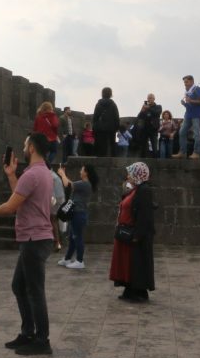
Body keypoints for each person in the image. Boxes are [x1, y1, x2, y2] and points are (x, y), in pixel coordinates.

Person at [0, 133, 55, 356]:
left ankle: (42, 339)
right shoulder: (43, 173)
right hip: (37, 238)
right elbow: (21, 196)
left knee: (34, 291)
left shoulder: (32, 174)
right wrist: (12, 175)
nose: (23, 148)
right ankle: (28, 332)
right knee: (19, 286)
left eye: (25, 145)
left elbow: (12, 205)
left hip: (34, 239)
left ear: (31, 148)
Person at [108, 162, 156, 302]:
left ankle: (138, 291)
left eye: (130, 173)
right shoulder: (135, 189)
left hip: (135, 235)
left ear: (137, 174)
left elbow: (145, 216)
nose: (128, 176)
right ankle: (129, 289)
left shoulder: (144, 190)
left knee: (136, 264)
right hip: (128, 233)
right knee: (129, 264)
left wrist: (137, 235)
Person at [57, 164, 98, 270]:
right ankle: (67, 259)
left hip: (79, 214)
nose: (80, 171)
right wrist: (64, 175)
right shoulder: (84, 184)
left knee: (77, 237)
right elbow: (70, 183)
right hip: (76, 213)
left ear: (86, 172)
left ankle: (80, 261)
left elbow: (67, 184)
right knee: (72, 238)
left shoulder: (85, 184)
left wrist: (62, 174)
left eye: (82, 169)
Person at [172, 75, 200, 159]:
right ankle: (182, 152)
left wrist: (191, 100)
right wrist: (185, 104)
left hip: (196, 115)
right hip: (188, 114)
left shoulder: (197, 89)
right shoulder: (187, 91)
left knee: (196, 134)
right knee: (182, 132)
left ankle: (196, 153)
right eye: (184, 82)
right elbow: (190, 105)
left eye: (186, 82)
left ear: (191, 81)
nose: (185, 84)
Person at [91, 87, 120, 157]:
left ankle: (100, 162)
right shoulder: (113, 105)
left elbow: (95, 117)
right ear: (110, 94)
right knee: (112, 145)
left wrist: (95, 127)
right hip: (111, 128)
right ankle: (113, 162)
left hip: (100, 129)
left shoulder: (98, 104)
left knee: (101, 146)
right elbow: (116, 117)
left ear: (102, 94)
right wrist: (116, 128)